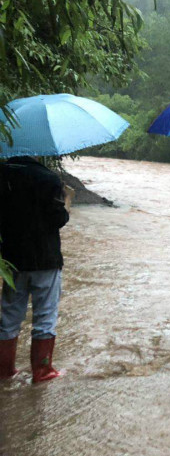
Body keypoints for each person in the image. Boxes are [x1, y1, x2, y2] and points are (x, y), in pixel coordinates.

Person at [0, 156, 75, 382]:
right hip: (45, 260)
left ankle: (5, 371)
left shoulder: (3, 174)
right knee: (45, 317)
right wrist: (67, 200)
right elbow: (58, 219)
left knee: (9, 317)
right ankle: (42, 371)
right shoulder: (48, 179)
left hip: (12, 260)